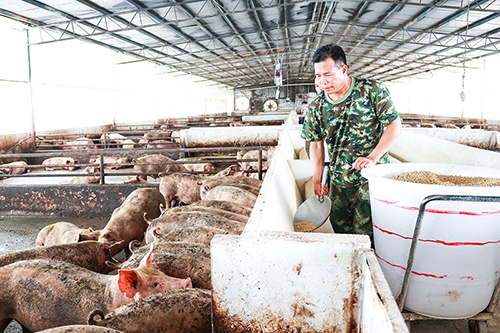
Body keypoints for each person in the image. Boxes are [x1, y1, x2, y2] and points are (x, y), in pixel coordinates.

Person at [301, 43, 402, 241]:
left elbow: (395, 126)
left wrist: (372, 157)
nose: (322, 81)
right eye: (318, 76)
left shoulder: (372, 91)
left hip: (372, 179)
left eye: (328, 74)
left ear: (343, 69)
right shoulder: (317, 106)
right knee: (342, 236)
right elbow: (316, 143)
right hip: (339, 182)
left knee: (367, 236)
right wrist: (317, 179)